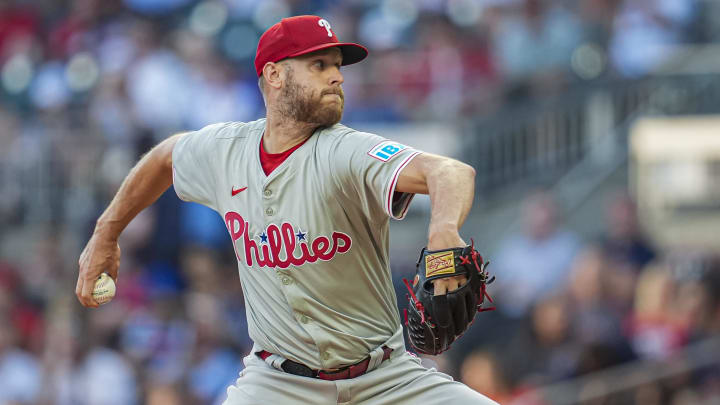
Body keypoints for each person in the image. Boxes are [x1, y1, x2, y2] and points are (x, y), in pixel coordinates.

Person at [77, 15, 497, 405]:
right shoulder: (226, 151)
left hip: (387, 380)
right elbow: (165, 158)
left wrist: (444, 230)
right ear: (274, 74)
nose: (336, 77)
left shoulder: (345, 150)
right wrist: (105, 234)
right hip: (277, 385)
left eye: (337, 66)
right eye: (318, 64)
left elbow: (449, 171)